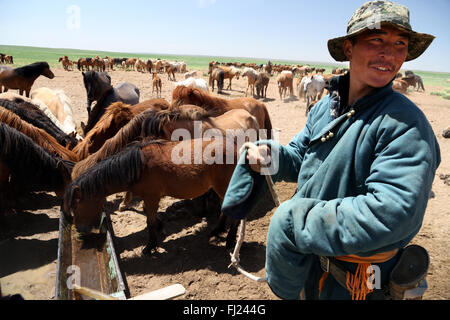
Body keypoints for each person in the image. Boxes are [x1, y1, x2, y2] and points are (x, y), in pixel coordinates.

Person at [222, 0, 441, 300]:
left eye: (400, 44)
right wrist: (270, 156)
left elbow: (393, 213)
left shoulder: (405, 124)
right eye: (376, 39)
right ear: (349, 49)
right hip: (311, 267)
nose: (389, 54)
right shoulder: (326, 107)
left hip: (354, 284)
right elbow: (302, 158)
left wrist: (294, 221)